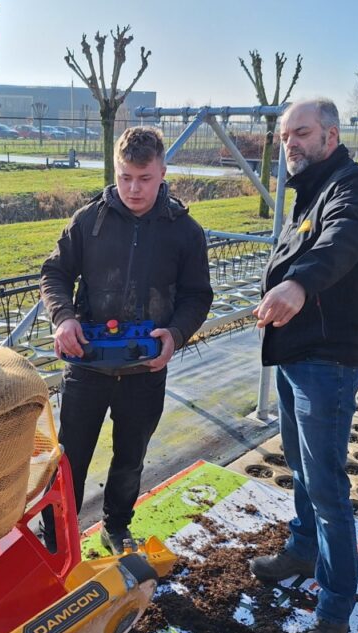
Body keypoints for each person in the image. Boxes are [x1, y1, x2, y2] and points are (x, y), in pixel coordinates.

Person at [250, 98, 358, 633]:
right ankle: (303, 549)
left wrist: (298, 284)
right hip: (296, 353)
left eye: (301, 133)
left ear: (331, 135)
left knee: (328, 487)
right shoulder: (311, 192)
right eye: (285, 136)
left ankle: (333, 613)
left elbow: (342, 242)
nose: (291, 144)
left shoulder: (355, 188)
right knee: (300, 464)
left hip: (328, 361)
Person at [39, 126, 212, 554]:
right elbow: (54, 273)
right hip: (88, 363)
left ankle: (116, 526)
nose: (134, 189)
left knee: (131, 457)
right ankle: (58, 539)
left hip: (145, 368)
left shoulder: (184, 231)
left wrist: (175, 334)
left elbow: (197, 295)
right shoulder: (88, 221)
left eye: (144, 178)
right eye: (125, 178)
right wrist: (63, 319)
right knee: (69, 458)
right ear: (114, 172)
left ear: (162, 173)